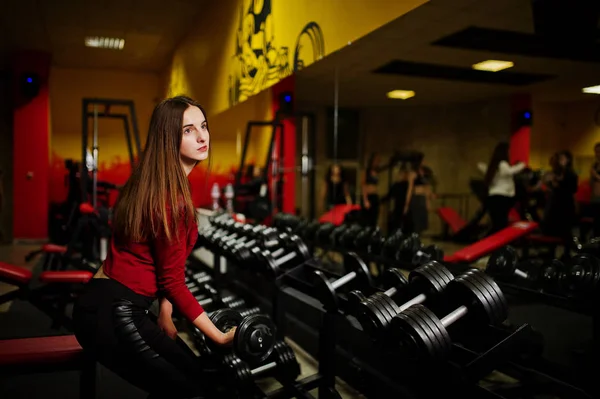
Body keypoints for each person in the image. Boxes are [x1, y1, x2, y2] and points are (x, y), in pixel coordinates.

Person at [72, 96, 235, 399]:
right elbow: (173, 280)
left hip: (105, 303)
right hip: (115, 311)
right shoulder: (172, 199)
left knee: (192, 377)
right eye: (188, 130)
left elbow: (160, 263)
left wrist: (165, 310)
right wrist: (220, 337)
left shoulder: (153, 183)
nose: (202, 136)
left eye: (203, 126)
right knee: (190, 390)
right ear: (168, 138)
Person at [478, 142, 526, 235]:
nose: (510, 153)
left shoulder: (494, 165)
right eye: (509, 150)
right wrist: (522, 165)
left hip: (493, 197)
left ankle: (490, 244)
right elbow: (509, 171)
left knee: (497, 224)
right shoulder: (503, 163)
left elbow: (482, 168)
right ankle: (497, 246)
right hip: (502, 197)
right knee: (501, 224)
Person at [543, 150, 578, 250]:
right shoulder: (556, 172)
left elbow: (573, 188)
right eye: (560, 159)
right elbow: (549, 184)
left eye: (563, 159)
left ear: (568, 160)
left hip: (566, 204)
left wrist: (558, 183)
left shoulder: (570, 173)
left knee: (566, 231)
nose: (560, 161)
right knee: (553, 229)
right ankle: (551, 252)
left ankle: (568, 253)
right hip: (555, 204)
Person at [404, 153, 433, 235]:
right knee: (415, 222)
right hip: (416, 198)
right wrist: (406, 204)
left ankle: (418, 237)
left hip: (422, 198)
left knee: (422, 222)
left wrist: (428, 201)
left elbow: (426, 187)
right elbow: (410, 189)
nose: (424, 162)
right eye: (422, 160)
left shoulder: (424, 172)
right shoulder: (413, 173)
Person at [362, 153, 382, 227]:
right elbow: (363, 185)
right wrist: (365, 200)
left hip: (375, 195)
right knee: (367, 219)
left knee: (374, 217)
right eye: (376, 160)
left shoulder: (376, 172)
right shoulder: (366, 171)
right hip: (368, 196)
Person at [590, 143, 600, 237]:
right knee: (595, 223)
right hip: (594, 198)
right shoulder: (595, 165)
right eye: (596, 152)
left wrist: (596, 176)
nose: (597, 154)